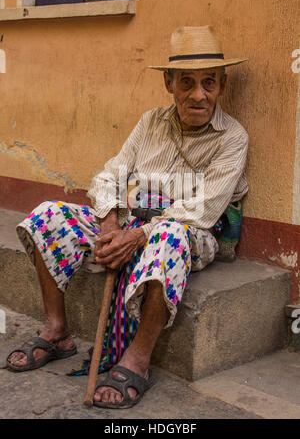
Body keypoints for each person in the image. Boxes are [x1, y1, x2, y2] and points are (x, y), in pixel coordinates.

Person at [6, 26, 248, 409]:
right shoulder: (150, 121)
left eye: (209, 83)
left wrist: (139, 235)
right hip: (127, 222)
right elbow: (112, 174)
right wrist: (109, 222)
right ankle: (57, 333)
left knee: (169, 233)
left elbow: (205, 209)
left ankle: (137, 359)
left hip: (188, 231)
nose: (198, 95)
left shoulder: (232, 137)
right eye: (186, 82)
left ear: (222, 84)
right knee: (46, 215)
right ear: (169, 83)